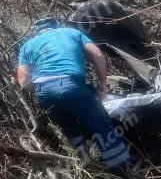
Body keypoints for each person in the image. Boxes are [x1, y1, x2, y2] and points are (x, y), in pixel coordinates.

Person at [17, 17, 131, 170]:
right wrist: (102, 85)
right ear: (56, 26)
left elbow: (23, 82)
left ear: (35, 32)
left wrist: (46, 90)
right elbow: (97, 55)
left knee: (71, 130)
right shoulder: (71, 33)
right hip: (71, 86)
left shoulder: (27, 46)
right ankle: (122, 171)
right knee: (101, 126)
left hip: (44, 93)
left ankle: (87, 167)